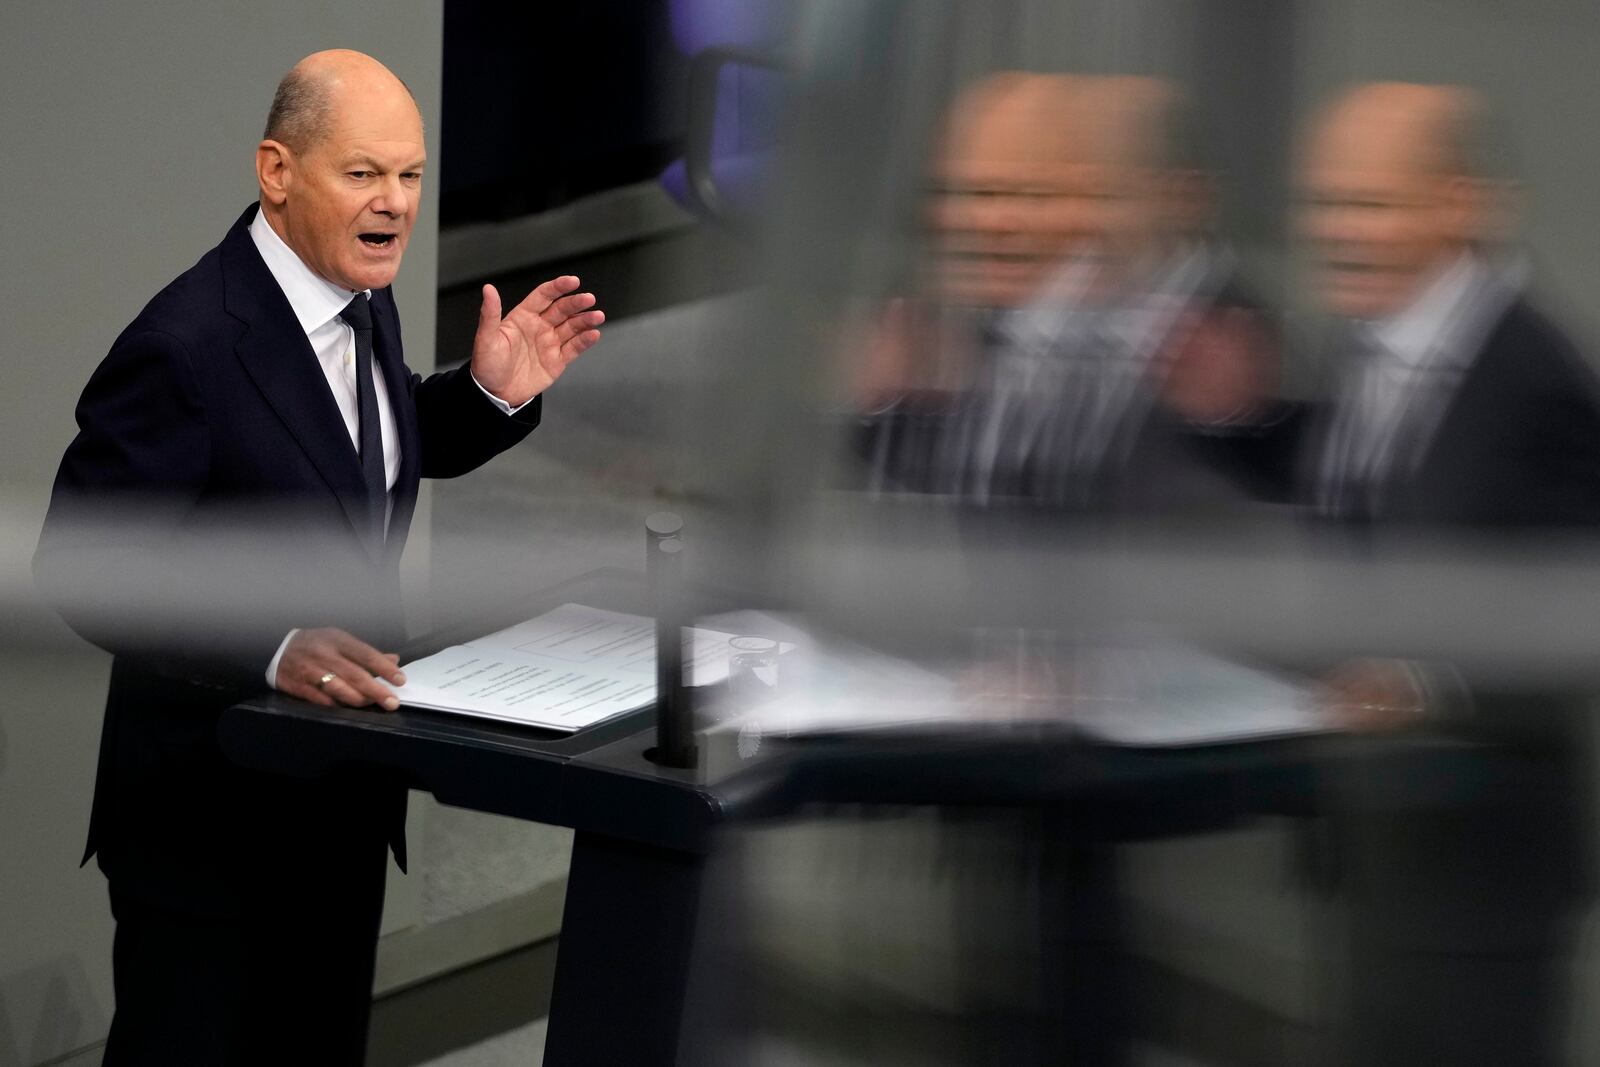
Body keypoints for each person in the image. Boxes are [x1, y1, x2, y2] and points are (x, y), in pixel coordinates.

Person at [34, 50, 604, 1064]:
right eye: (363, 174)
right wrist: (272, 641)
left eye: (412, 175)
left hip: (335, 809)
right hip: (207, 838)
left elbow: (345, 461)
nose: (395, 203)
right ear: (277, 170)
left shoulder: (360, 299)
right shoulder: (187, 343)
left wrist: (485, 396)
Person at [1178, 81, 1600, 1065]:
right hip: (1371, 834)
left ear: (1464, 205)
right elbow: (1367, 493)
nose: (1334, 232)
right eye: (1322, 204)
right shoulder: (1372, 344)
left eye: (1366, 204)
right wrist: (1246, 424)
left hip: (1481, 861)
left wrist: (1425, 681)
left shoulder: (1539, 380)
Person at [855, 72, 1277, 515]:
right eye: (967, 193)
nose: (992, 221)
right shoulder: (988, 325)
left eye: (1030, 194)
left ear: (1183, 196)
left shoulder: (1242, 347)